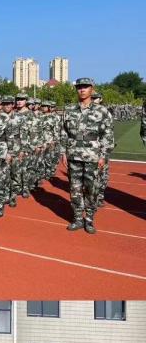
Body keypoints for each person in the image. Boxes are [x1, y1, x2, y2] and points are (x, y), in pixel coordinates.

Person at [61, 78, 114, 234]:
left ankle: (89, 219)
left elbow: (108, 135)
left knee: (91, 189)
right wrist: (63, 152)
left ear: (92, 88)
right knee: (75, 188)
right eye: (79, 87)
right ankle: (78, 218)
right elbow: (63, 132)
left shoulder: (102, 111)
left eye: (85, 87)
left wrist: (103, 155)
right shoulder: (69, 110)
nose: (82, 90)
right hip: (73, 156)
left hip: (93, 156)